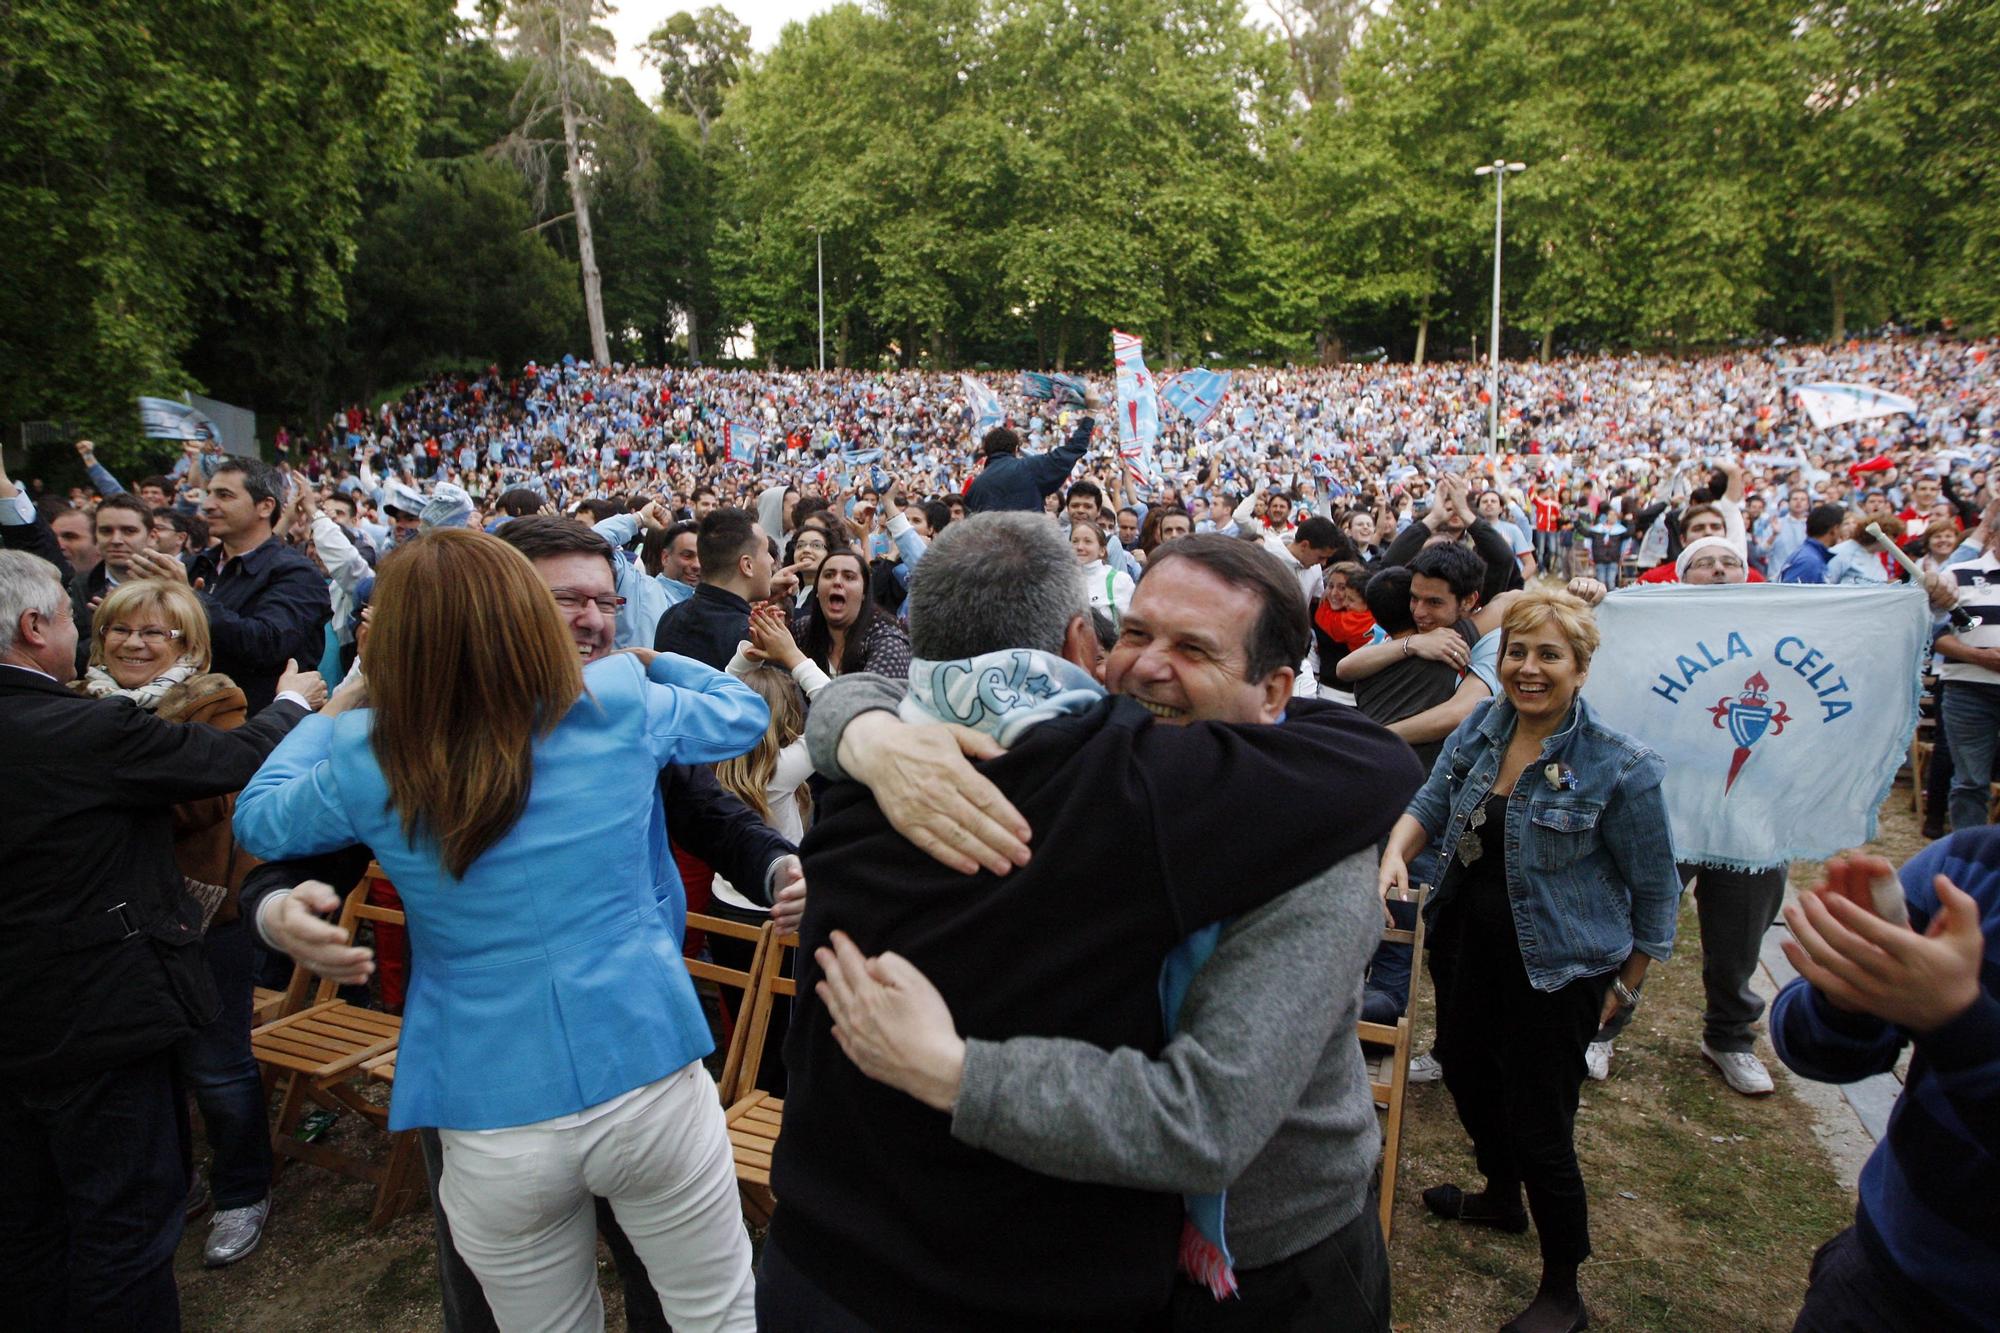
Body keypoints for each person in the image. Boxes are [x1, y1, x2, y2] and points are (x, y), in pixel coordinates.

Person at [759, 519, 1420, 1330]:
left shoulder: (1316, 840)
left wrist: (955, 1069)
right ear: (1087, 640)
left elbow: (1205, 1120)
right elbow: (877, 692)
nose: (1147, 664)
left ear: (1277, 689)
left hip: (1271, 1259)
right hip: (1115, 1249)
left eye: (1194, 649)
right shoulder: (1100, 766)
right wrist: (871, 734)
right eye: (1136, 631)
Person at [231, 528, 768, 1331]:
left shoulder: (367, 750)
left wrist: (338, 702)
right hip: (644, 1062)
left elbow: (259, 815)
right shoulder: (615, 700)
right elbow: (742, 711)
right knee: (718, 1314)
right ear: (524, 616)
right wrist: (651, 662)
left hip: (490, 1102)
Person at [0, 549, 319, 1328]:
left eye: (157, 631)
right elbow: (234, 762)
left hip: (121, 973)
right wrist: (302, 706)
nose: (120, 641)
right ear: (37, 626)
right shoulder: (76, 724)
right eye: (94, 623)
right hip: (94, 1012)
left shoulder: (146, 710)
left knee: (30, 1225)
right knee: (119, 1231)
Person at [1376, 587, 1679, 1333]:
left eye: (1549, 654)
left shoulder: (1621, 765)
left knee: (1542, 1117)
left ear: (1580, 666)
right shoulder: (1483, 723)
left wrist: (1628, 987)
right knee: (1465, 1065)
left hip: (1562, 967)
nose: (1529, 668)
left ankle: (1562, 1288)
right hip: (1466, 943)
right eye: (1517, 651)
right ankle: (1501, 1194)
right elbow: (1434, 801)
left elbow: (1656, 888)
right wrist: (1395, 848)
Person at [74, 578, 327, 1264]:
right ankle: (177, 1182)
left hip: (204, 914)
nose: (135, 642)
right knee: (152, 1066)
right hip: (115, 920)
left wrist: (115, 777)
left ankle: (244, 1190)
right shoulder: (78, 706)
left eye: (156, 632)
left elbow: (201, 802)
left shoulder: (214, 702)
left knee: (218, 1064)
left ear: (189, 644)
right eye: (122, 629)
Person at [1585, 536, 1783, 1093]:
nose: (1718, 570)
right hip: (1667, 802)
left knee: (1741, 931)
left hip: (1751, 809)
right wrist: (1599, 602)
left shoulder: (1779, 628)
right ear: (1681, 572)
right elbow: (1608, 654)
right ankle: (1601, 1028)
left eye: (1730, 563)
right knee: (1629, 918)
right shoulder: (1659, 623)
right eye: (1704, 562)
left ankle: (1729, 1037)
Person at [1773, 843, 1996, 1333]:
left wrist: (1962, 1027)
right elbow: (1807, 1047)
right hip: (1881, 1272)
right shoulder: (1969, 868)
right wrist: (1845, 999)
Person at [125, 458, 332, 713]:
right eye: (209, 494)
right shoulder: (196, 566)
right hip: (184, 719)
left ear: (265, 506)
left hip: (258, 729)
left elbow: (267, 644)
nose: (208, 505)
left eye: (224, 495)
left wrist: (190, 599)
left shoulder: (297, 573)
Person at [1930, 503, 2000, 835]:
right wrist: (1976, 656)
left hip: (1969, 688)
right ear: (1994, 536)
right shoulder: (1958, 574)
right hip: (1969, 689)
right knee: (1970, 780)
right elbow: (1932, 632)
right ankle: (1968, 854)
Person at [654, 506, 776, 667]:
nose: (772, 561)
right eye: (767, 552)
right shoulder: (755, 640)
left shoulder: (670, 618)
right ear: (747, 565)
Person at [964, 392, 1100, 514]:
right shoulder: (1029, 468)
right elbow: (1073, 448)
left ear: (986, 452)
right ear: (1016, 449)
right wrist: (1091, 412)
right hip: (1028, 540)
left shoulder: (975, 488)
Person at [67, 492, 157, 669]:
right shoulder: (76, 588)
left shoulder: (174, 586)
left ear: (152, 536)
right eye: (106, 531)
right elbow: (68, 658)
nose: (116, 540)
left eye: (129, 531)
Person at [791, 549, 912, 679]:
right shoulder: (802, 629)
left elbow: (863, 698)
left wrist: (796, 661)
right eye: (829, 575)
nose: (837, 582)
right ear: (817, 591)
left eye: (849, 577)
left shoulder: (889, 642)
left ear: (864, 593)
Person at [1074, 518, 1135, 619]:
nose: (1079, 547)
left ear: (1102, 550)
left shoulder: (1120, 580)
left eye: (1087, 541)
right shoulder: (1059, 581)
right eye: (1075, 541)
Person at [1780, 504, 1848, 584]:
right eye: (1841, 526)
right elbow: (1791, 594)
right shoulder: (1808, 562)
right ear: (1834, 529)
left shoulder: (1812, 557)